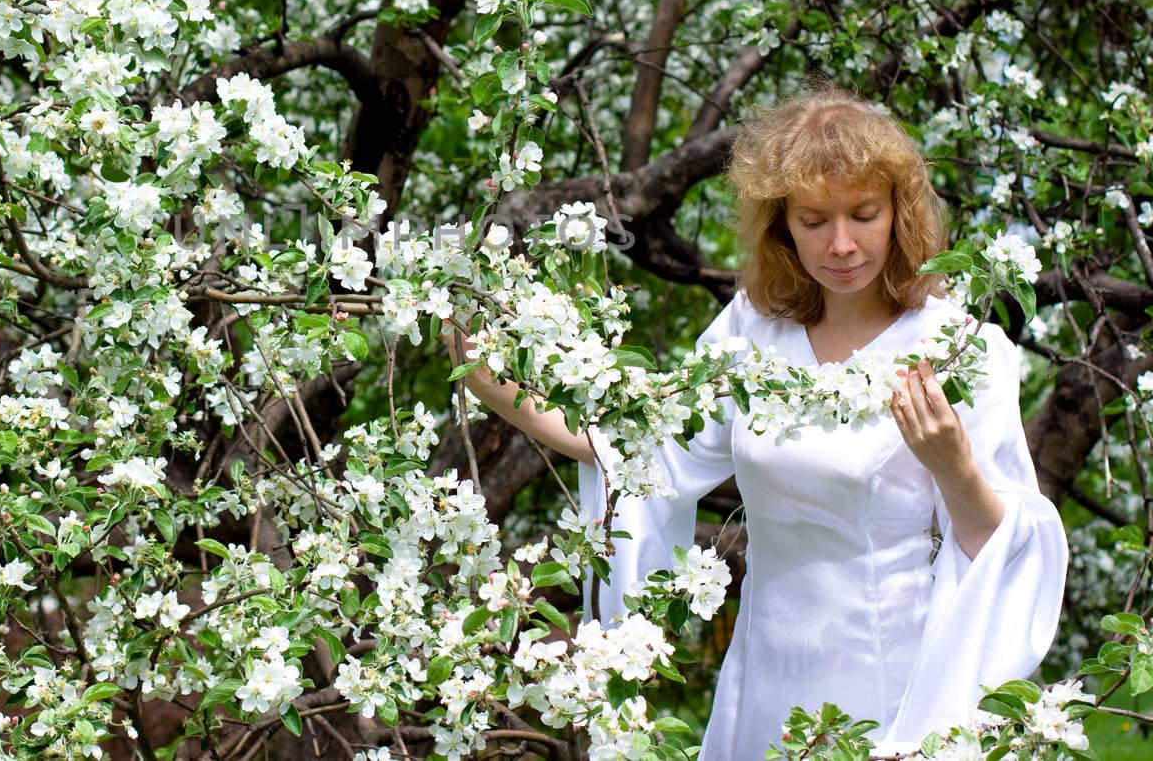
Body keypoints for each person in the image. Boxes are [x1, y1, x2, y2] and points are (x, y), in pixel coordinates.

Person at [446, 88, 1068, 759]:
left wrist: (955, 467)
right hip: (766, 666)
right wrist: (488, 378)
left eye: (864, 214)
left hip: (888, 673)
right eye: (813, 219)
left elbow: (1003, 548)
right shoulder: (753, 331)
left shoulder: (957, 347)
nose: (842, 244)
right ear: (781, 224)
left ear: (899, 212)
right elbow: (638, 447)